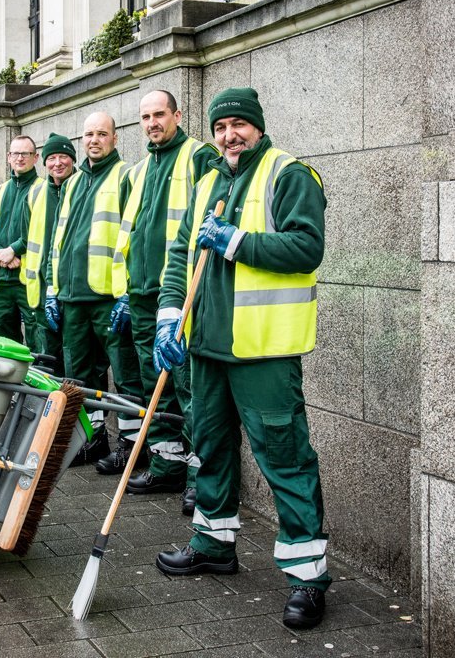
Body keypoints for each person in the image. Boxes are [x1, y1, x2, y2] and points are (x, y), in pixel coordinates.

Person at [153, 87, 330, 630]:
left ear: (256, 126)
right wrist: (167, 316)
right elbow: (181, 253)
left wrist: (237, 240)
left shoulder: (290, 174)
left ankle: (307, 578)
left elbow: (307, 247)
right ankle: (213, 543)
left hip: (263, 352)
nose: (229, 136)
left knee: (284, 458)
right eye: (221, 126)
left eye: (238, 125)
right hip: (204, 349)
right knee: (209, 448)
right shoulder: (209, 182)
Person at [114, 90, 219, 516]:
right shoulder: (137, 171)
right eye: (145, 117)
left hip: (176, 292)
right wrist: (124, 288)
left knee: (188, 387)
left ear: (177, 114)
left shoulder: (198, 156)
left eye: (160, 114)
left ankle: (198, 479)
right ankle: (166, 463)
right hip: (141, 294)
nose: (152, 122)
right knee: (152, 382)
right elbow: (130, 231)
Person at [45, 111, 142, 474]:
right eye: (88, 134)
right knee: (81, 376)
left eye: (102, 133)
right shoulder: (72, 183)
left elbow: (133, 235)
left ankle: (131, 446)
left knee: (124, 373)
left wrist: (126, 292)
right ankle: (95, 438)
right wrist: (54, 289)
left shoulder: (125, 177)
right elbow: (60, 240)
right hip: (72, 298)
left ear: (115, 138)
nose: (94, 140)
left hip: (107, 297)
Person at [27, 132, 110, 464]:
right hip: (54, 291)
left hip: (91, 291)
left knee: (93, 366)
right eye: (51, 158)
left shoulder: (81, 186)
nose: (57, 162)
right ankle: (71, 432)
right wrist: (49, 289)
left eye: (63, 156)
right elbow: (44, 243)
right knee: (65, 366)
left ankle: (96, 434)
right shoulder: (39, 194)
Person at [0, 136, 43, 351]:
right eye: (16, 153)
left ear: (36, 157)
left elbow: (40, 230)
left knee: (37, 338)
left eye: (26, 153)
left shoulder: (43, 189)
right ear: (8, 157)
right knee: (3, 342)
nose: (20, 158)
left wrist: (14, 250)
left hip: (29, 281)